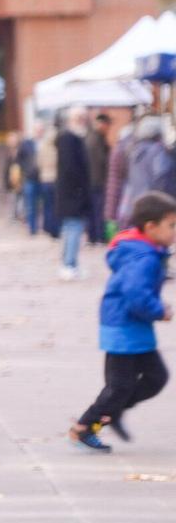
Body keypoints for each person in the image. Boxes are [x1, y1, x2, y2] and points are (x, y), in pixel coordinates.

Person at [69, 191, 175, 452]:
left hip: (132, 327)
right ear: (150, 227)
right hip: (123, 327)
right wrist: (158, 309)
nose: (174, 231)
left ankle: (112, 412)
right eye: (171, 225)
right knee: (119, 386)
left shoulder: (147, 250)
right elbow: (135, 293)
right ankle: (85, 426)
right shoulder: (143, 257)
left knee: (156, 377)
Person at [106, 114, 176, 232]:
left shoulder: (133, 151)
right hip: (152, 205)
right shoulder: (159, 151)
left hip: (132, 204)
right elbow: (162, 179)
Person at [55, 108, 96, 281]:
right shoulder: (68, 139)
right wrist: (80, 190)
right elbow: (71, 169)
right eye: (79, 118)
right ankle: (69, 264)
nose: (82, 121)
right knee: (73, 229)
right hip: (72, 194)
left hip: (71, 193)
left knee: (70, 229)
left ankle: (69, 263)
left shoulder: (74, 139)